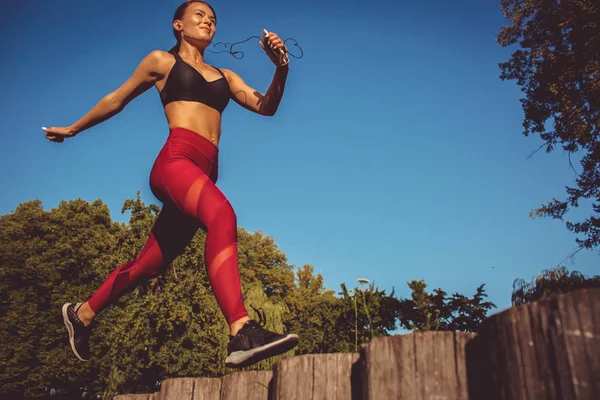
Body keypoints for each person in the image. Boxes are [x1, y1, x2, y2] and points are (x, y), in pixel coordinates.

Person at [45, 0, 298, 369]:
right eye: (199, 15)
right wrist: (73, 128)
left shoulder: (226, 76)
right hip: (176, 162)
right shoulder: (162, 63)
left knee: (150, 265)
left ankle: (81, 314)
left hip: (204, 171)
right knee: (222, 216)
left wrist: (282, 70)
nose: (208, 21)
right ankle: (241, 330)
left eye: (212, 18)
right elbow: (117, 99)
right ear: (177, 25)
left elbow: (267, 106)